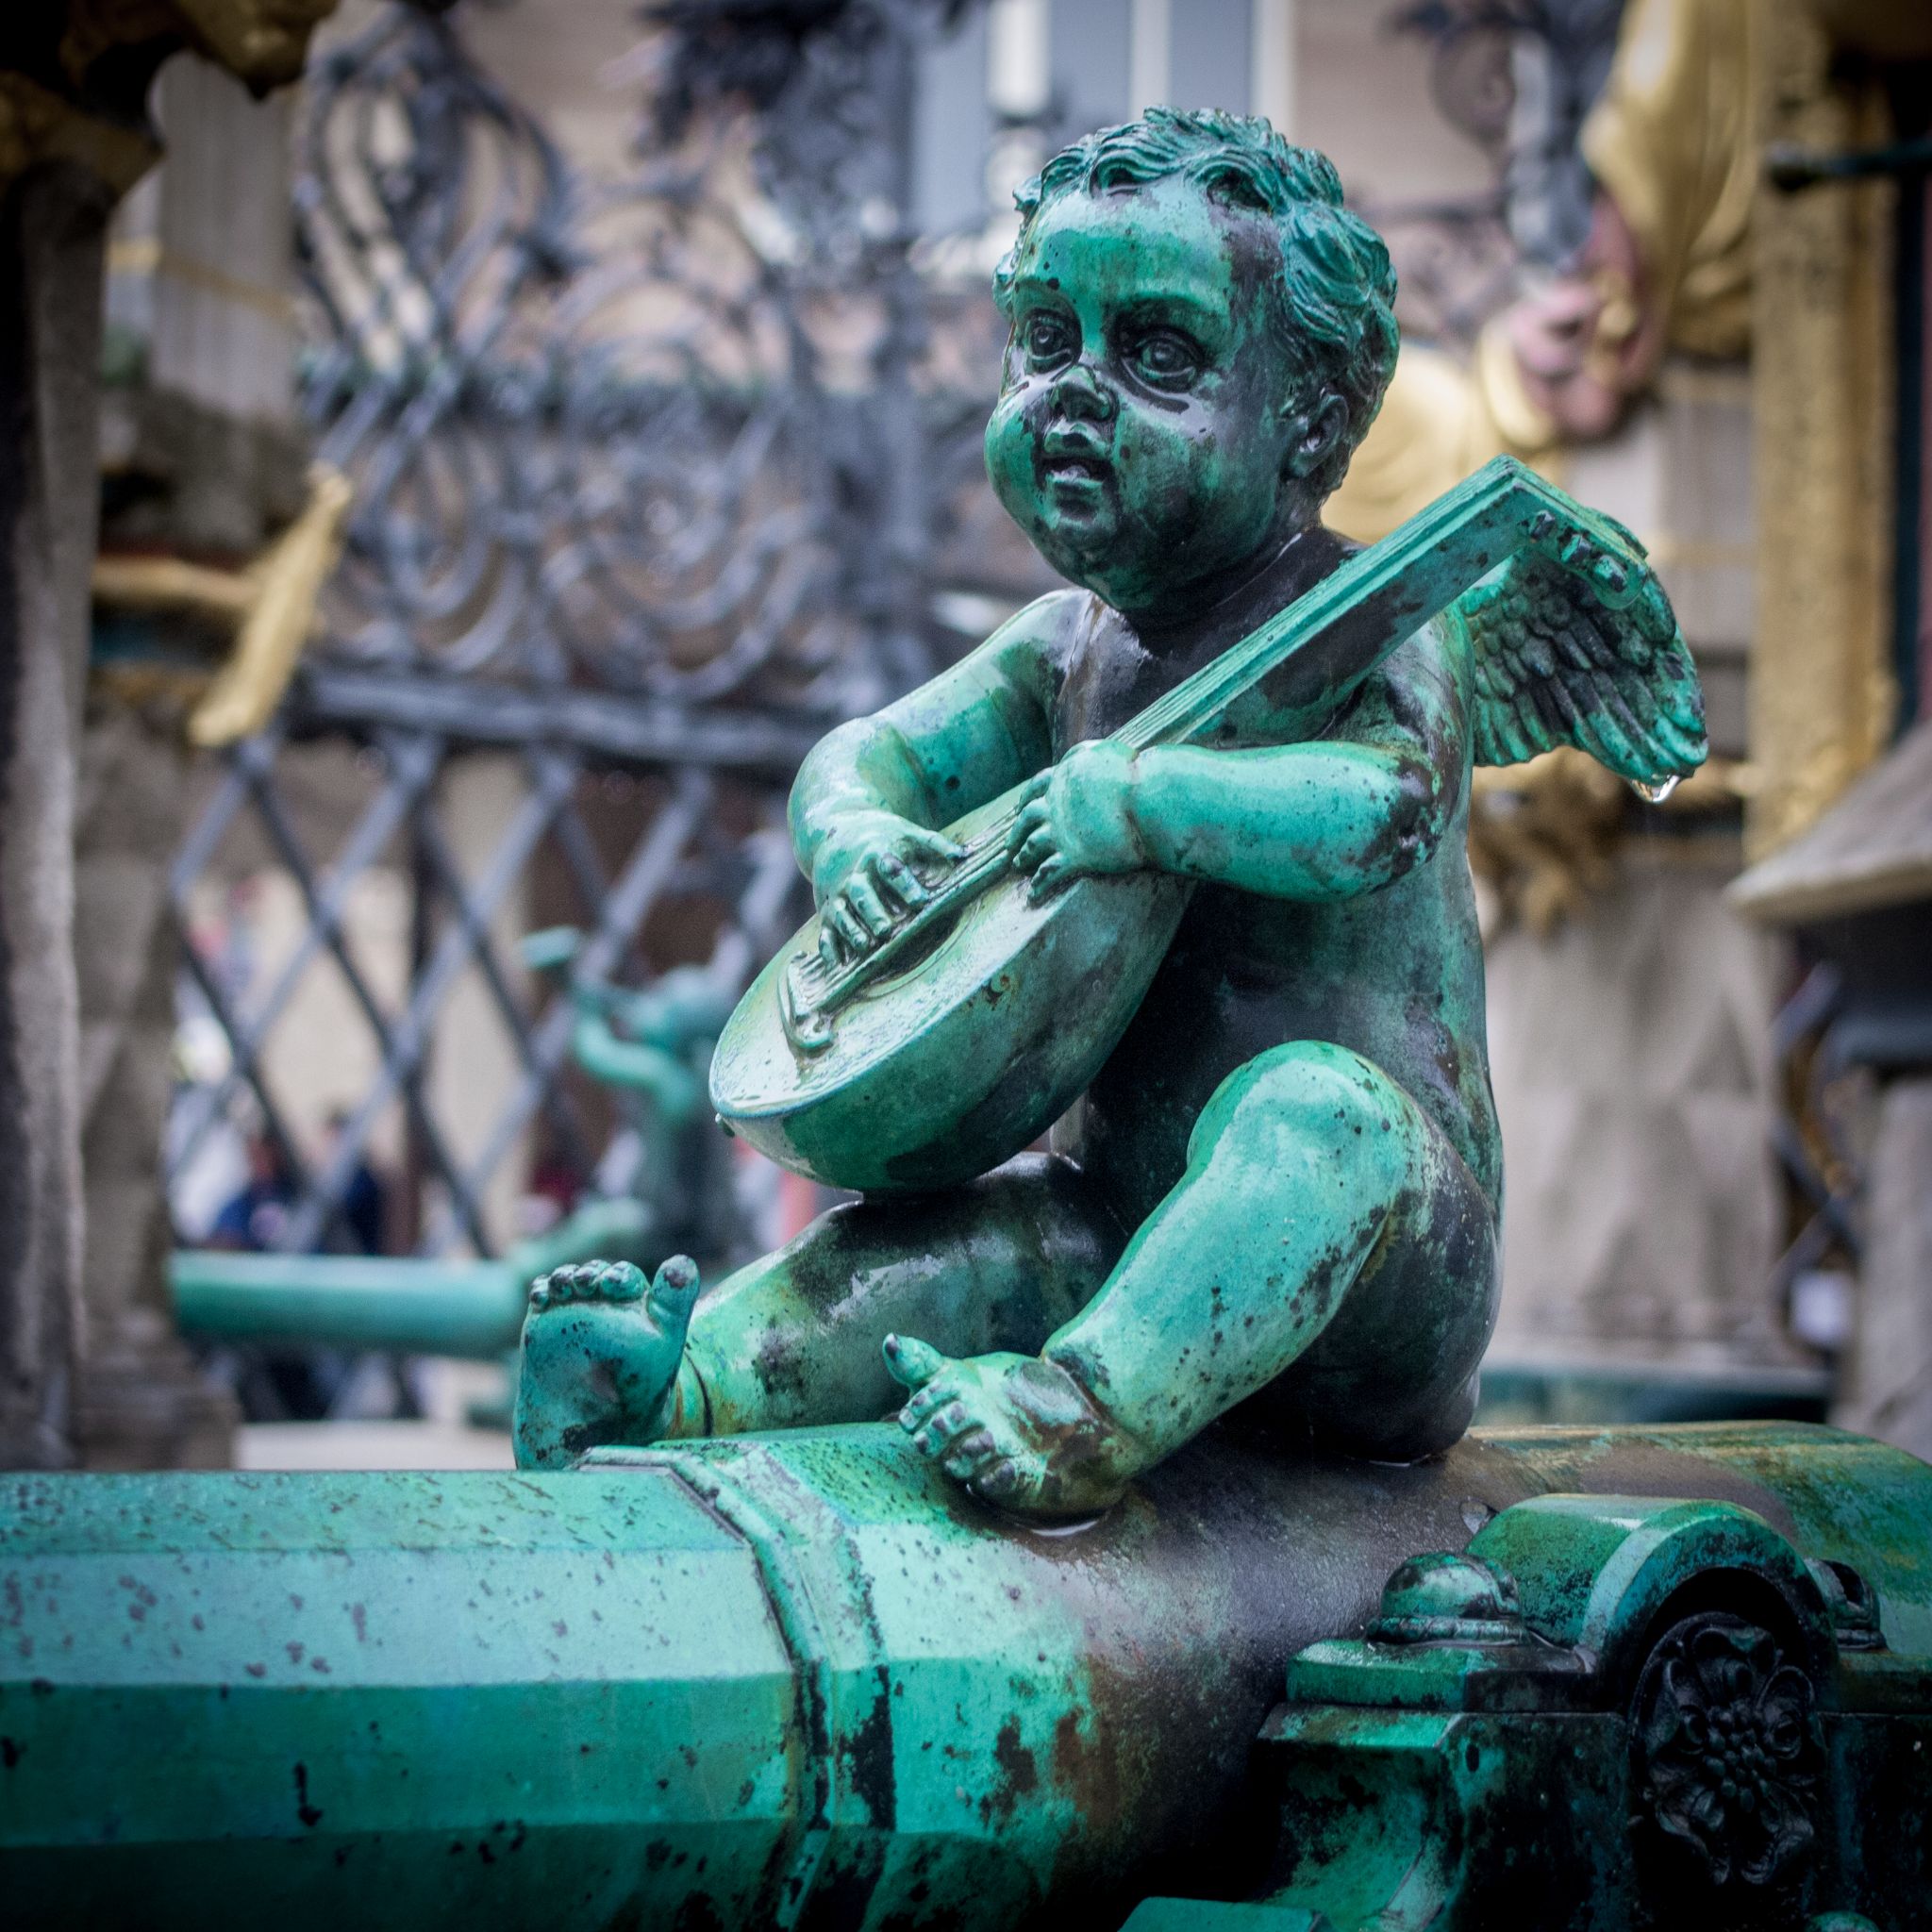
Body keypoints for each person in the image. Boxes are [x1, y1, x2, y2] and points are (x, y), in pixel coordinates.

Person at [512, 109, 1688, 1516]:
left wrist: (1142, 799)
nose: (1073, 392)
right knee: (931, 1252)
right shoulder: (1069, 646)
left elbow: (1382, 807)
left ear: (1311, 414)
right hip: (1122, 1228)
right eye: (1045, 339)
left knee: (1312, 1115)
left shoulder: (1368, 629)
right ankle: (684, 1380)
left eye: (1159, 354)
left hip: (1376, 1256)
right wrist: (862, 842)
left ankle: (1075, 1416)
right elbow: (861, 758)